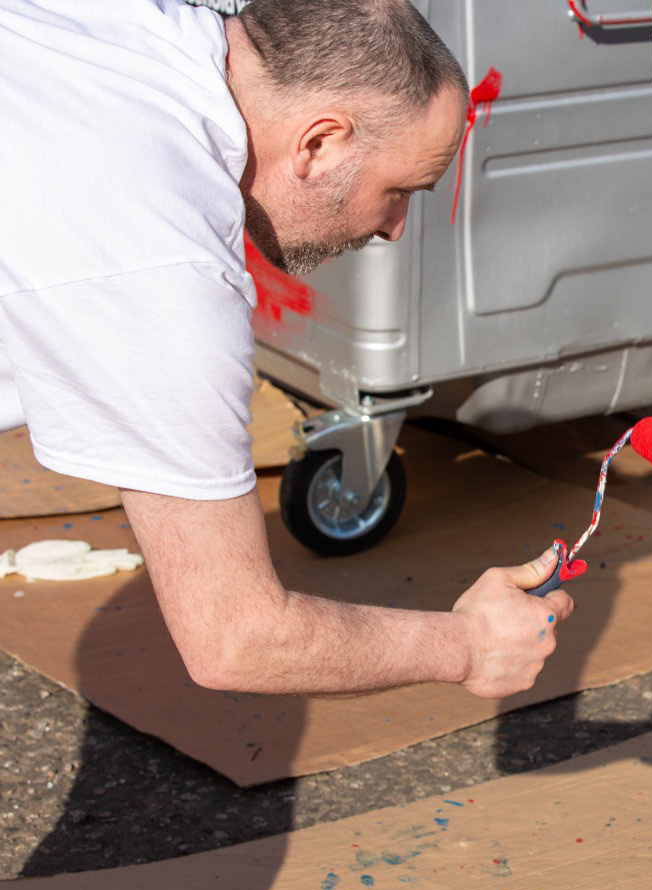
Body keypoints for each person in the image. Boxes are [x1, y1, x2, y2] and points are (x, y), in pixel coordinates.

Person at [0, 0, 574, 699]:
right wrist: (469, 645)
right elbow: (236, 638)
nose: (395, 228)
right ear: (319, 143)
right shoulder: (163, 265)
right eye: (399, 191)